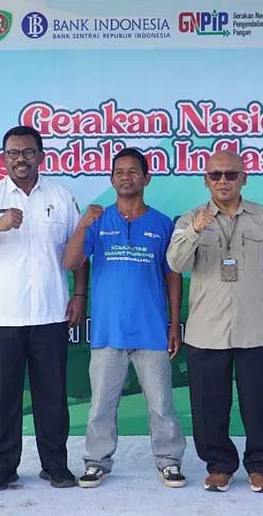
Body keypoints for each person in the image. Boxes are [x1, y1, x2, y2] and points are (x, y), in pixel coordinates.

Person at [0, 125, 87, 491]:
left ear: (41, 156)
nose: (21, 159)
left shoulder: (61, 196)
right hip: (2, 317)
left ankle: (55, 466)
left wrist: (79, 296)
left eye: (28, 152)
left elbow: (78, 251)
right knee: (2, 398)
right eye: (13, 153)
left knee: (52, 396)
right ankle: (2, 466)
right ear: (4, 158)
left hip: (50, 313)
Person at [166, 150, 263, 494]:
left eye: (231, 174)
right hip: (207, 329)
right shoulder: (190, 218)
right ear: (206, 180)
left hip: (256, 327)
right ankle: (219, 465)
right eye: (216, 175)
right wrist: (194, 230)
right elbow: (176, 264)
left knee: (259, 404)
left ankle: (261, 467)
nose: (223, 181)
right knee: (209, 405)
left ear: (244, 178)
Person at [62, 148, 187, 489]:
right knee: (101, 406)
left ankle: (169, 460)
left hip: (151, 330)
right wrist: (83, 224)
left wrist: (174, 324)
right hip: (107, 331)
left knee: (161, 405)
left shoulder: (162, 223)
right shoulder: (98, 220)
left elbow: (172, 276)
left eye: (133, 171)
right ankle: (96, 461)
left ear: (147, 178)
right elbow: (70, 262)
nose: (126, 177)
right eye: (119, 172)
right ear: (111, 179)